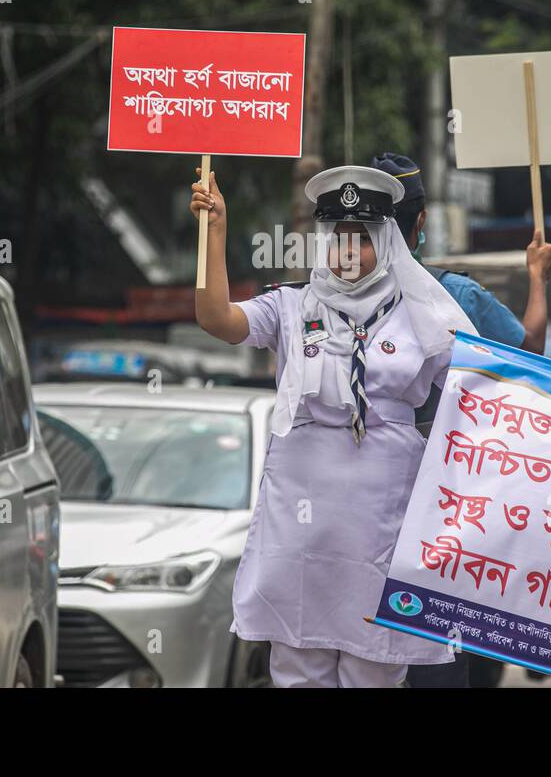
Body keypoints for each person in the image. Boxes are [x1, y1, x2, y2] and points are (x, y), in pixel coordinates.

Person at [189, 164, 477, 687]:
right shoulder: (291, 306)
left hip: (382, 528)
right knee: (298, 664)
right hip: (300, 527)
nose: (348, 252)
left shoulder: (428, 315)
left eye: (361, 240)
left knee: (375, 666)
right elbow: (216, 320)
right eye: (337, 238)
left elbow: (496, 387)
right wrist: (214, 231)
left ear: (386, 242)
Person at [371, 151, 551, 688]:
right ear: (422, 223)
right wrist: (538, 280)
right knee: (436, 668)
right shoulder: (457, 297)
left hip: (363, 529)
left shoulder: (327, 306)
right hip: (446, 537)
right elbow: (529, 361)